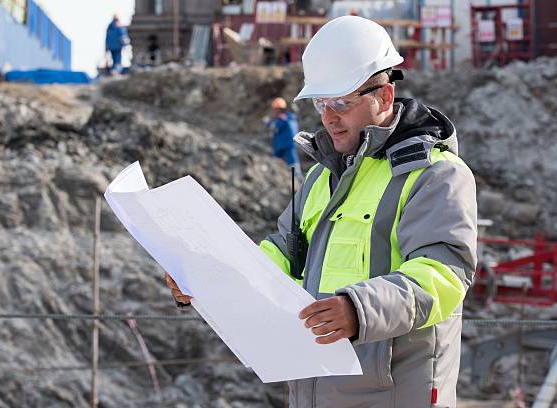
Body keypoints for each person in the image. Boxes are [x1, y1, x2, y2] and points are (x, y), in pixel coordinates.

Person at [166, 15, 477, 408]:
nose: (329, 117)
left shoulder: (435, 174)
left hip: (395, 394)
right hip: (314, 389)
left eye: (342, 103)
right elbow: (281, 255)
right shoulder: (320, 176)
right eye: (320, 103)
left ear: (383, 96)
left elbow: (444, 275)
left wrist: (358, 310)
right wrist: (207, 280)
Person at [267, 97, 303, 179]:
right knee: (293, 163)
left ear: (277, 109)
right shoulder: (291, 117)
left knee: (285, 163)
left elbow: (274, 127)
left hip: (283, 145)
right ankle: (298, 178)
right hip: (291, 144)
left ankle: (297, 180)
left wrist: (268, 122)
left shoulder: (282, 118)